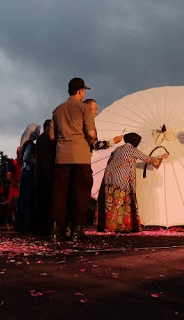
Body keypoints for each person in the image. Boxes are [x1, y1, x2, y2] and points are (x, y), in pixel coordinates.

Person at [49, 77, 97, 242]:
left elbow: (51, 135)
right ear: (81, 91)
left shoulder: (57, 109)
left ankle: (56, 230)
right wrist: (86, 144)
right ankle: (76, 230)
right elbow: (91, 134)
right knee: (80, 193)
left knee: (60, 194)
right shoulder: (84, 109)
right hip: (81, 156)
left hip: (61, 156)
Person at [101, 133, 166, 233]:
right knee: (121, 202)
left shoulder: (118, 149)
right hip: (122, 180)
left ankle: (108, 225)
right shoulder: (132, 149)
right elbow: (148, 159)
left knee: (110, 202)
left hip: (109, 178)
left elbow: (110, 162)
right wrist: (161, 157)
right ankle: (119, 226)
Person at [83, 98, 123, 232]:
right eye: (95, 108)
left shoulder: (74, 120)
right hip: (82, 160)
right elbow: (95, 144)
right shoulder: (88, 124)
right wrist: (113, 142)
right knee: (83, 189)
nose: (96, 111)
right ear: (88, 109)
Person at [14, 124, 40, 234]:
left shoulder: (24, 144)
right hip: (29, 173)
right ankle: (26, 227)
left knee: (25, 200)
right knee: (28, 200)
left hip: (25, 173)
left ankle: (23, 226)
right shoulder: (29, 144)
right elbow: (26, 158)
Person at [34, 119, 56, 236]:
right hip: (50, 172)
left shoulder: (39, 139)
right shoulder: (50, 139)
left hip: (40, 172)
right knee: (49, 201)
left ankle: (39, 228)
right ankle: (48, 227)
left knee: (41, 201)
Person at [7, 147, 21, 212]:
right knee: (10, 206)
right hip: (15, 188)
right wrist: (16, 183)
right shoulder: (13, 163)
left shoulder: (27, 163)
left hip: (24, 188)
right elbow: (8, 177)